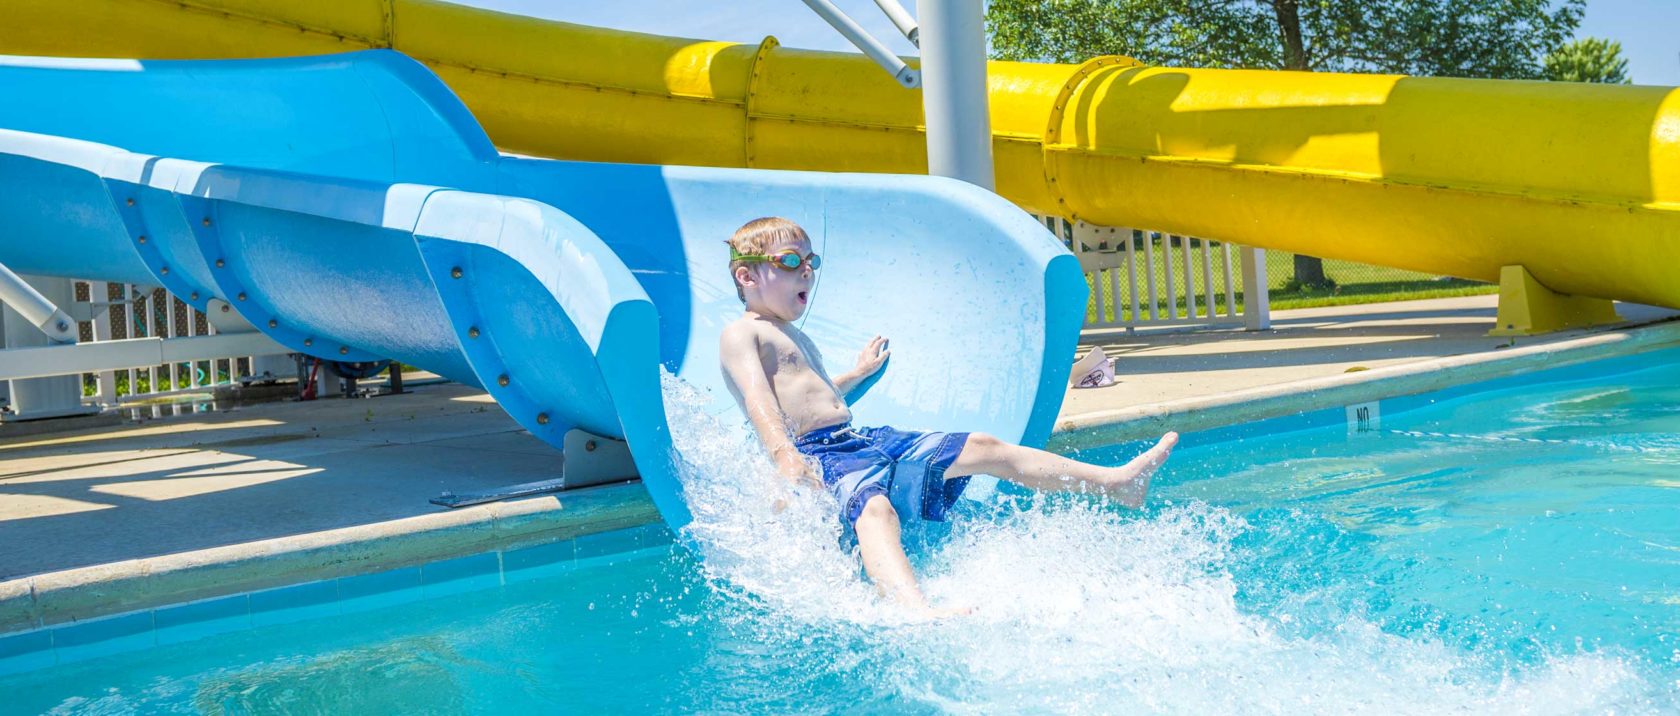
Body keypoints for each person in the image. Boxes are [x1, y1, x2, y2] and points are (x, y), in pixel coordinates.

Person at [717, 217, 1178, 616]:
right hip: (818, 453)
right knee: (874, 511)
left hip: (857, 438)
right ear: (747, 275)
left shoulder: (788, 332)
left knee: (983, 446)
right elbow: (760, 399)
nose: (808, 273)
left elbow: (812, 397)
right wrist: (783, 456)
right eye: (791, 262)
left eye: (812, 261)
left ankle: (1115, 483)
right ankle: (913, 609)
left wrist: (857, 374)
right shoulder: (742, 334)